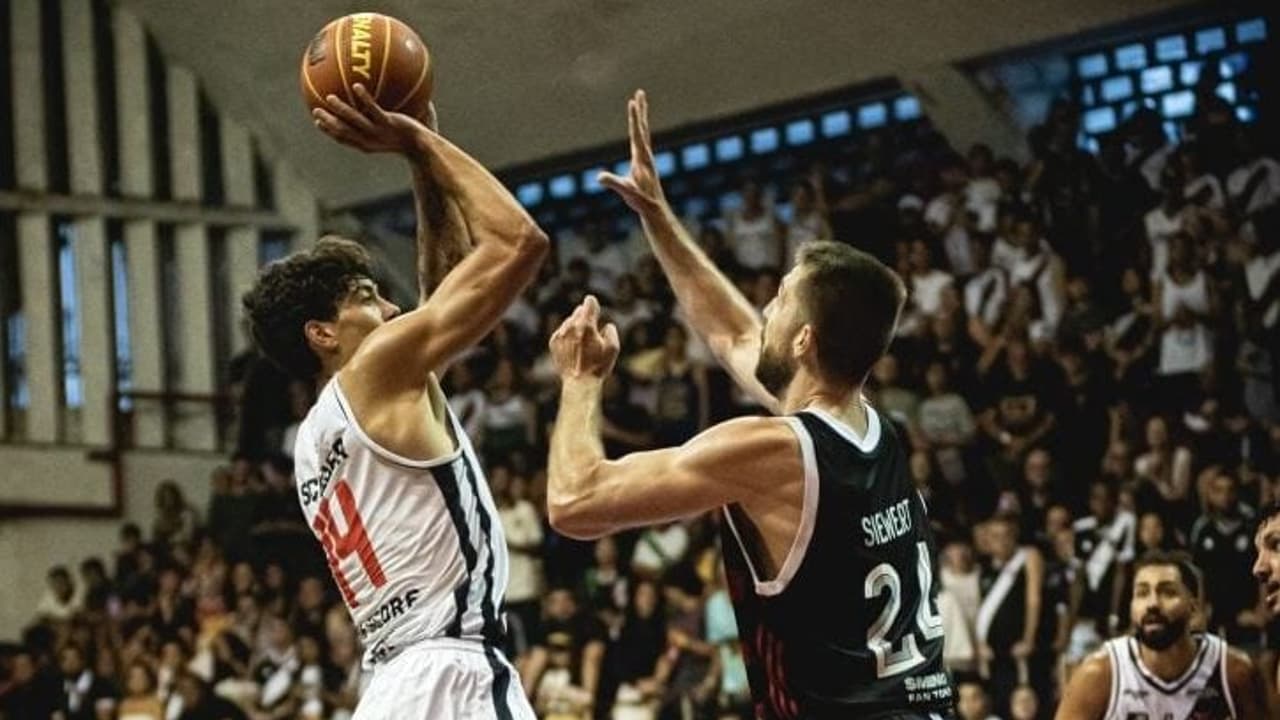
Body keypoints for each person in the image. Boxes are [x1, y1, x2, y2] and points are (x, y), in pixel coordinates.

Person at [546, 90, 953, 718]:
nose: (766, 306)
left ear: (804, 340)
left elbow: (575, 503)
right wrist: (659, 218)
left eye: (782, 298)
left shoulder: (771, 451)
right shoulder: (876, 429)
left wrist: (580, 381)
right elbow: (733, 335)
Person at [242, 84, 548, 718]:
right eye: (363, 296)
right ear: (322, 334)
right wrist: (419, 141)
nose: (389, 307)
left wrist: (422, 173)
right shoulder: (377, 371)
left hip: (389, 685)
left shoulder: (311, 439)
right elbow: (519, 243)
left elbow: (440, 299)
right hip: (452, 674)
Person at [1055, 552, 1273, 719]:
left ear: (1193, 607)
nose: (1152, 604)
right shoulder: (1100, 674)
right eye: (1142, 593)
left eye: (1167, 592)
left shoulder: (1233, 671)